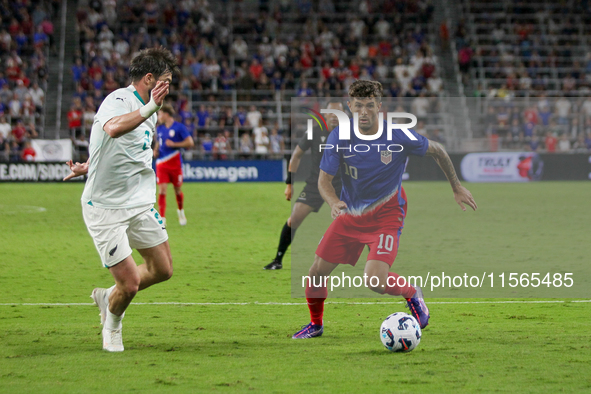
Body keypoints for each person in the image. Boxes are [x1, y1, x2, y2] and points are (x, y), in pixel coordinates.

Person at [292, 81, 477, 338]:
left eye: (370, 105)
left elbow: (438, 150)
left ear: (379, 106)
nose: (364, 111)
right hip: (350, 215)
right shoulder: (339, 136)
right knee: (315, 273)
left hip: (386, 216)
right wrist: (334, 202)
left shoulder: (398, 135)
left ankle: (412, 293)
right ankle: (316, 324)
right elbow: (324, 180)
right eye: (358, 106)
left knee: (375, 281)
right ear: (349, 107)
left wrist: (456, 187)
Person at [62, 47, 178, 352]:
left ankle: (106, 295)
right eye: (166, 80)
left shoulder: (149, 107)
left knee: (163, 269)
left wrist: (89, 163)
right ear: (149, 78)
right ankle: (111, 327)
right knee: (130, 284)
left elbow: (119, 146)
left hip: (139, 202)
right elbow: (112, 129)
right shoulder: (119, 100)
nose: (169, 88)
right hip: (105, 208)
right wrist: (151, 107)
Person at [264, 101, 343, 270]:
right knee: (294, 219)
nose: (336, 116)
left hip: (341, 186)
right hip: (316, 185)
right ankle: (278, 260)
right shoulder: (314, 132)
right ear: (326, 115)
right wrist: (289, 184)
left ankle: (377, 262)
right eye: (333, 113)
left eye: (340, 113)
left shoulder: (351, 134)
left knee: (360, 220)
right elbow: (296, 156)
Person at [154, 104, 194, 226]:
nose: (158, 116)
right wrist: (155, 149)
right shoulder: (159, 129)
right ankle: (162, 218)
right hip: (161, 163)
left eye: (160, 114)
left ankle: (181, 211)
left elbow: (190, 142)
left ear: (166, 114)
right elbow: (159, 142)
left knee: (177, 190)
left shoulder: (179, 127)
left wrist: (174, 145)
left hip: (175, 163)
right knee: (162, 190)